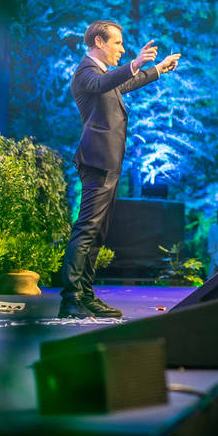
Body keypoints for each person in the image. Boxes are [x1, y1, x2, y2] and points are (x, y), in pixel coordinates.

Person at [58, 20, 181, 319]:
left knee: (97, 232)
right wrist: (136, 63)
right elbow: (105, 84)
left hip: (106, 161)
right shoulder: (86, 72)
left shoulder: (102, 75)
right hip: (96, 160)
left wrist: (158, 69)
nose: (123, 50)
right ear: (99, 42)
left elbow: (122, 84)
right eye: (117, 43)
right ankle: (72, 298)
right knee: (88, 228)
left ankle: (85, 295)